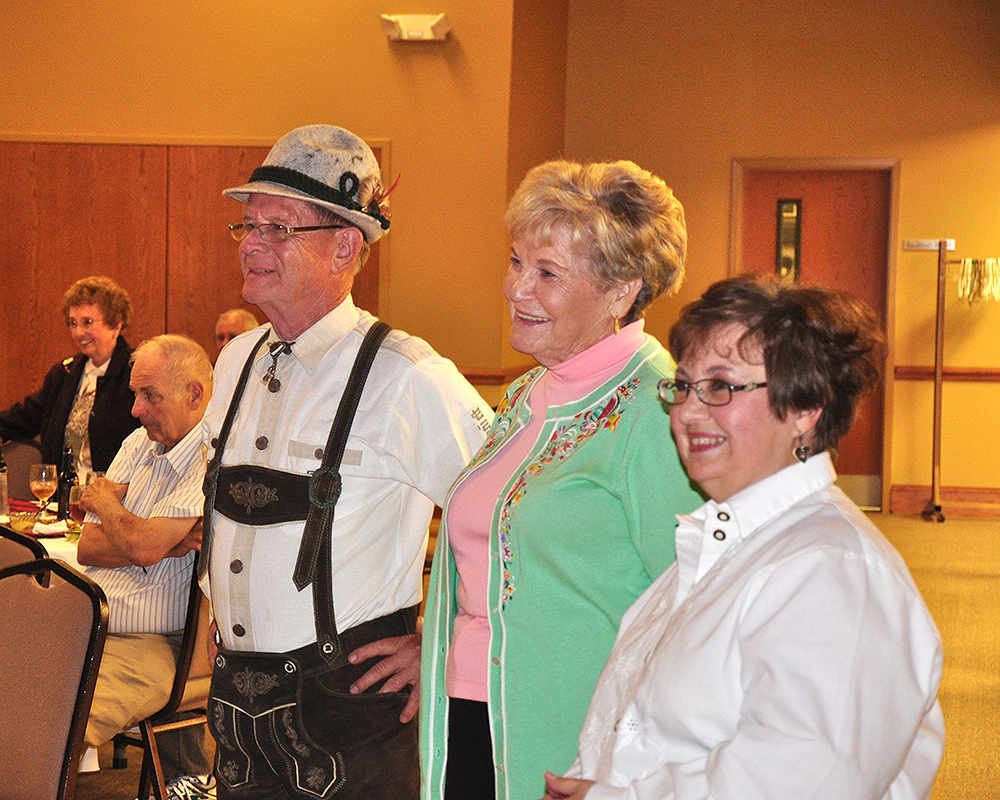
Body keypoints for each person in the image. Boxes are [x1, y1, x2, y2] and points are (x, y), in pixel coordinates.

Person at [543, 276, 944, 800]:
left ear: (805, 409)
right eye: (682, 386)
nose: (687, 411)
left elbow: (809, 782)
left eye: (721, 386)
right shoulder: (718, 544)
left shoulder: (833, 568)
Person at [201, 124, 493, 800]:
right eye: (247, 225)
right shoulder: (235, 360)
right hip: (239, 718)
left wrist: (443, 640)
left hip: (351, 716)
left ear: (345, 246)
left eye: (279, 228)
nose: (251, 243)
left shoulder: (408, 375)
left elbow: (512, 514)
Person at [421, 160, 703, 800]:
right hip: (469, 713)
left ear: (621, 291)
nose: (516, 288)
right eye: (517, 262)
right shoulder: (525, 396)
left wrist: (632, 766)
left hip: (576, 743)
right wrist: (436, 647)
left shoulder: (658, 411)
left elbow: (694, 614)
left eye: (546, 273)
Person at [77, 334, 215, 798]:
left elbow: (136, 546)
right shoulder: (139, 443)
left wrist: (104, 502)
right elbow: (88, 547)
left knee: (50, 714)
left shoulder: (211, 456)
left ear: (194, 394)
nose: (136, 410)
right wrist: (163, 543)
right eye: (136, 394)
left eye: (150, 396)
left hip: (159, 643)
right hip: (93, 625)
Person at [0, 275, 139, 479]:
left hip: (117, 498)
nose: (78, 332)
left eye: (87, 322)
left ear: (116, 326)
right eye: (73, 323)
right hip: (64, 498)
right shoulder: (64, 374)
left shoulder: (136, 374)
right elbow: (23, 418)